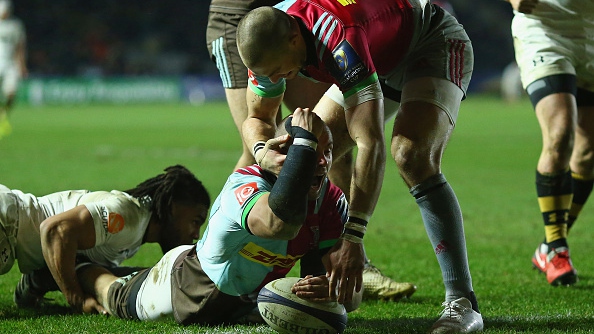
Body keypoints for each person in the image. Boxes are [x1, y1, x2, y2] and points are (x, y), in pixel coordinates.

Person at [236, 1, 483, 332]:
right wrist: (262, 151)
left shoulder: (338, 38)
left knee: (410, 154)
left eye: (279, 70)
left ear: (295, 38)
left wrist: (353, 235)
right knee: (303, 154)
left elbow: (370, 143)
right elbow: (258, 117)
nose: (278, 80)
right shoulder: (268, 40)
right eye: (269, 75)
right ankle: (311, 276)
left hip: (429, 39)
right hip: (377, 54)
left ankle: (462, 302)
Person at [205, 0, 416, 302]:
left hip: (294, 19)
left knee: (323, 138)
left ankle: (343, 255)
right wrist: (262, 148)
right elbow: (260, 121)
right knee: (260, 155)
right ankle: (223, 257)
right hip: (239, 19)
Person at [76, 111, 364, 324]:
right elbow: (280, 224)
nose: (325, 162)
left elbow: (349, 296)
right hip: (185, 285)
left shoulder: (331, 202)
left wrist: (332, 289)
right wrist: (304, 145)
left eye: (328, 151)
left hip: (243, 297)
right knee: (114, 294)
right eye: (313, 152)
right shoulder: (245, 185)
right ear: (284, 154)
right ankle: (80, 268)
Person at [0, 165, 210, 313]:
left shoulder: (135, 233)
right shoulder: (128, 217)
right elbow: (55, 230)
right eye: (195, 221)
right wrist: (76, 298)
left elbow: (74, 259)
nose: (196, 234)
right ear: (173, 207)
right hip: (5, 220)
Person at [505, 0, 594, 286]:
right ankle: (557, 249)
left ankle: (549, 245)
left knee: (588, 150)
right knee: (560, 133)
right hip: (545, 29)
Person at [0, 0, 27, 139]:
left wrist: (22, 65)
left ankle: (3, 116)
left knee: (11, 93)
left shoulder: (15, 26)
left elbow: (19, 47)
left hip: (10, 65)